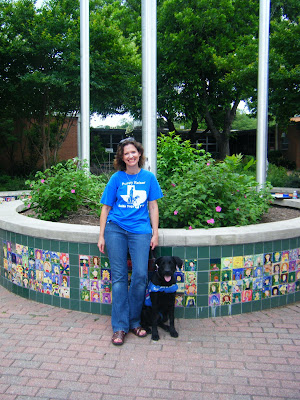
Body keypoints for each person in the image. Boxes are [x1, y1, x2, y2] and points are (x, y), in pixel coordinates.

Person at [97, 137, 163, 346]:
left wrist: (155, 233)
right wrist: (101, 235)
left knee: (141, 275)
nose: (130, 156)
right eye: (126, 153)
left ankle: (134, 321)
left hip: (140, 232)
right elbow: (106, 208)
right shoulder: (116, 179)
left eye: (133, 152)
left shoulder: (149, 178)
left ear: (139, 154)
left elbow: (153, 207)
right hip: (115, 229)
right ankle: (119, 326)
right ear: (122, 158)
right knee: (118, 278)